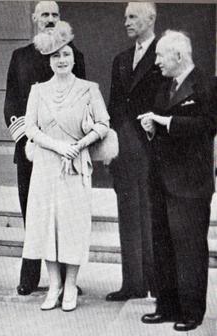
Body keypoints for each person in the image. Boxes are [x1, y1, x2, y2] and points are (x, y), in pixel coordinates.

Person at [22, 21, 109, 312]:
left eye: (66, 55)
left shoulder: (89, 89)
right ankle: (54, 285)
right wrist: (58, 147)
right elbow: (30, 129)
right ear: (49, 60)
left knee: (72, 226)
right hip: (47, 164)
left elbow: (103, 124)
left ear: (74, 59)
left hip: (75, 166)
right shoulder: (38, 91)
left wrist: (80, 145)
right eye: (56, 56)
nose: (61, 60)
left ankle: (71, 285)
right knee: (47, 225)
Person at [3, 0, 85, 296]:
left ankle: (65, 279)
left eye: (55, 15)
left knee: (65, 214)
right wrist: (28, 142)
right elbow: (12, 102)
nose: (50, 19)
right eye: (45, 15)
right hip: (31, 151)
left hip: (64, 152)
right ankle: (29, 275)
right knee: (32, 212)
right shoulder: (20, 57)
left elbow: (82, 100)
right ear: (35, 18)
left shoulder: (74, 55)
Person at [138, 30, 216, 332]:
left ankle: (191, 312)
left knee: (190, 249)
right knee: (163, 246)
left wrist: (166, 122)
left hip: (189, 184)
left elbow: (208, 125)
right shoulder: (165, 85)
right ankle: (166, 307)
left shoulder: (207, 85)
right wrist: (152, 127)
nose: (156, 61)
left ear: (179, 56)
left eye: (160, 55)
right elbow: (160, 123)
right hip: (160, 180)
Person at [105, 2, 164, 302]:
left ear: (150, 19)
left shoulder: (165, 53)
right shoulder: (121, 59)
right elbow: (115, 106)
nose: (125, 22)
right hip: (125, 150)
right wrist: (113, 146)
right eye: (125, 17)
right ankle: (133, 283)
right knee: (128, 215)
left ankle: (157, 282)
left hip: (153, 148)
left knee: (153, 216)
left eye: (132, 17)